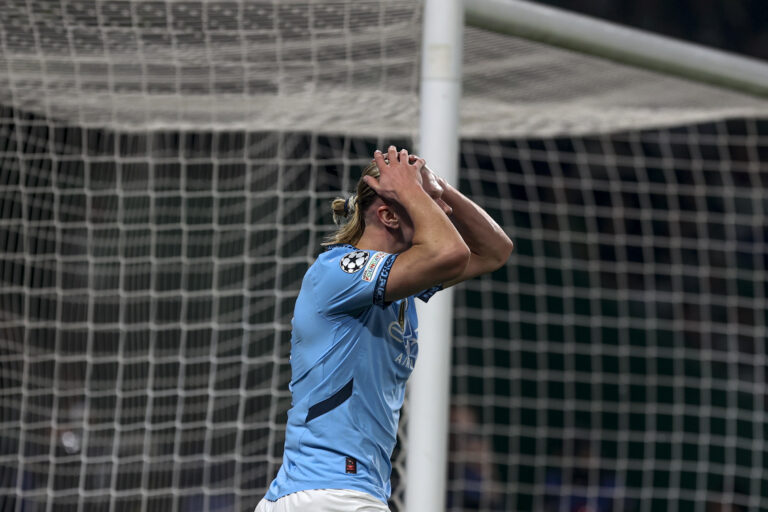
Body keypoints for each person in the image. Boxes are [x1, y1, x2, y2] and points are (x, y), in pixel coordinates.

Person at [255, 146, 514, 511]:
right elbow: (451, 253)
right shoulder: (341, 269)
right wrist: (413, 189)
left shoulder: (399, 283)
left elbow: (494, 252)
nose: (446, 212)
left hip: (320, 494)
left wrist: (436, 185)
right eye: (431, 202)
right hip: (332, 494)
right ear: (389, 215)